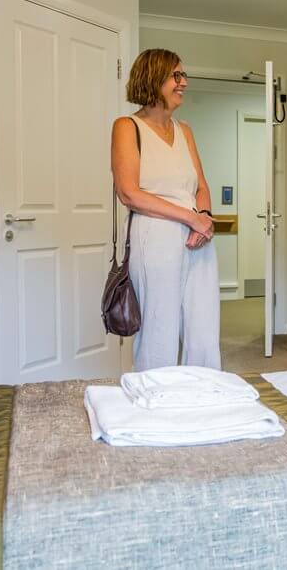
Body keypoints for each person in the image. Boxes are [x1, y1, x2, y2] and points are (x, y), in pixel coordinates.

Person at [111, 48, 219, 371]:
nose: (184, 82)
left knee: (203, 330)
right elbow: (129, 193)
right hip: (155, 236)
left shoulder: (184, 130)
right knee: (159, 329)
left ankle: (204, 394)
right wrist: (191, 218)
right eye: (176, 75)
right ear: (153, 78)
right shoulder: (127, 127)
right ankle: (154, 397)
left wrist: (205, 218)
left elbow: (201, 186)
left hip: (198, 239)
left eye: (183, 75)